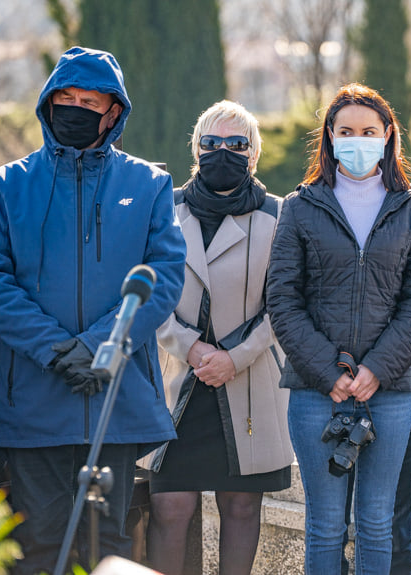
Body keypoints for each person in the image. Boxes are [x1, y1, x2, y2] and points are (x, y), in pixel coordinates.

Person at [0, 46, 186, 574]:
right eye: (66, 97)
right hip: (35, 399)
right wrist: (54, 349)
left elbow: (165, 276)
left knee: (108, 546)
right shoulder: (7, 184)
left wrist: (97, 347)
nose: (76, 107)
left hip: (115, 397)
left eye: (90, 100)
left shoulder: (148, 184)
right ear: (47, 103)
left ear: (113, 112)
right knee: (38, 543)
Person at [266, 83, 411, 574]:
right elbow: (282, 299)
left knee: (377, 522)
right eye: (346, 131)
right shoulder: (299, 207)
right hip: (318, 390)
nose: (357, 139)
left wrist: (379, 369)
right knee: (322, 525)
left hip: (390, 390)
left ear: (388, 136)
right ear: (330, 136)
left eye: (367, 130)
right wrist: (329, 372)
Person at [143, 100, 293, 575]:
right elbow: (146, 292)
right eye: (211, 144)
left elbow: (287, 302)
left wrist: (237, 356)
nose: (222, 152)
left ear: (254, 154)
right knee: (170, 508)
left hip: (246, 382)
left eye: (236, 144)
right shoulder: (163, 210)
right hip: (178, 383)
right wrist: (190, 347)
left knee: (243, 508)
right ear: (196, 150)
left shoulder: (279, 216)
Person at [341, 210, 411, 575]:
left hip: (400, 404)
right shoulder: (319, 210)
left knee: (393, 531)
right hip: (330, 397)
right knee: (328, 529)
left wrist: (387, 363)